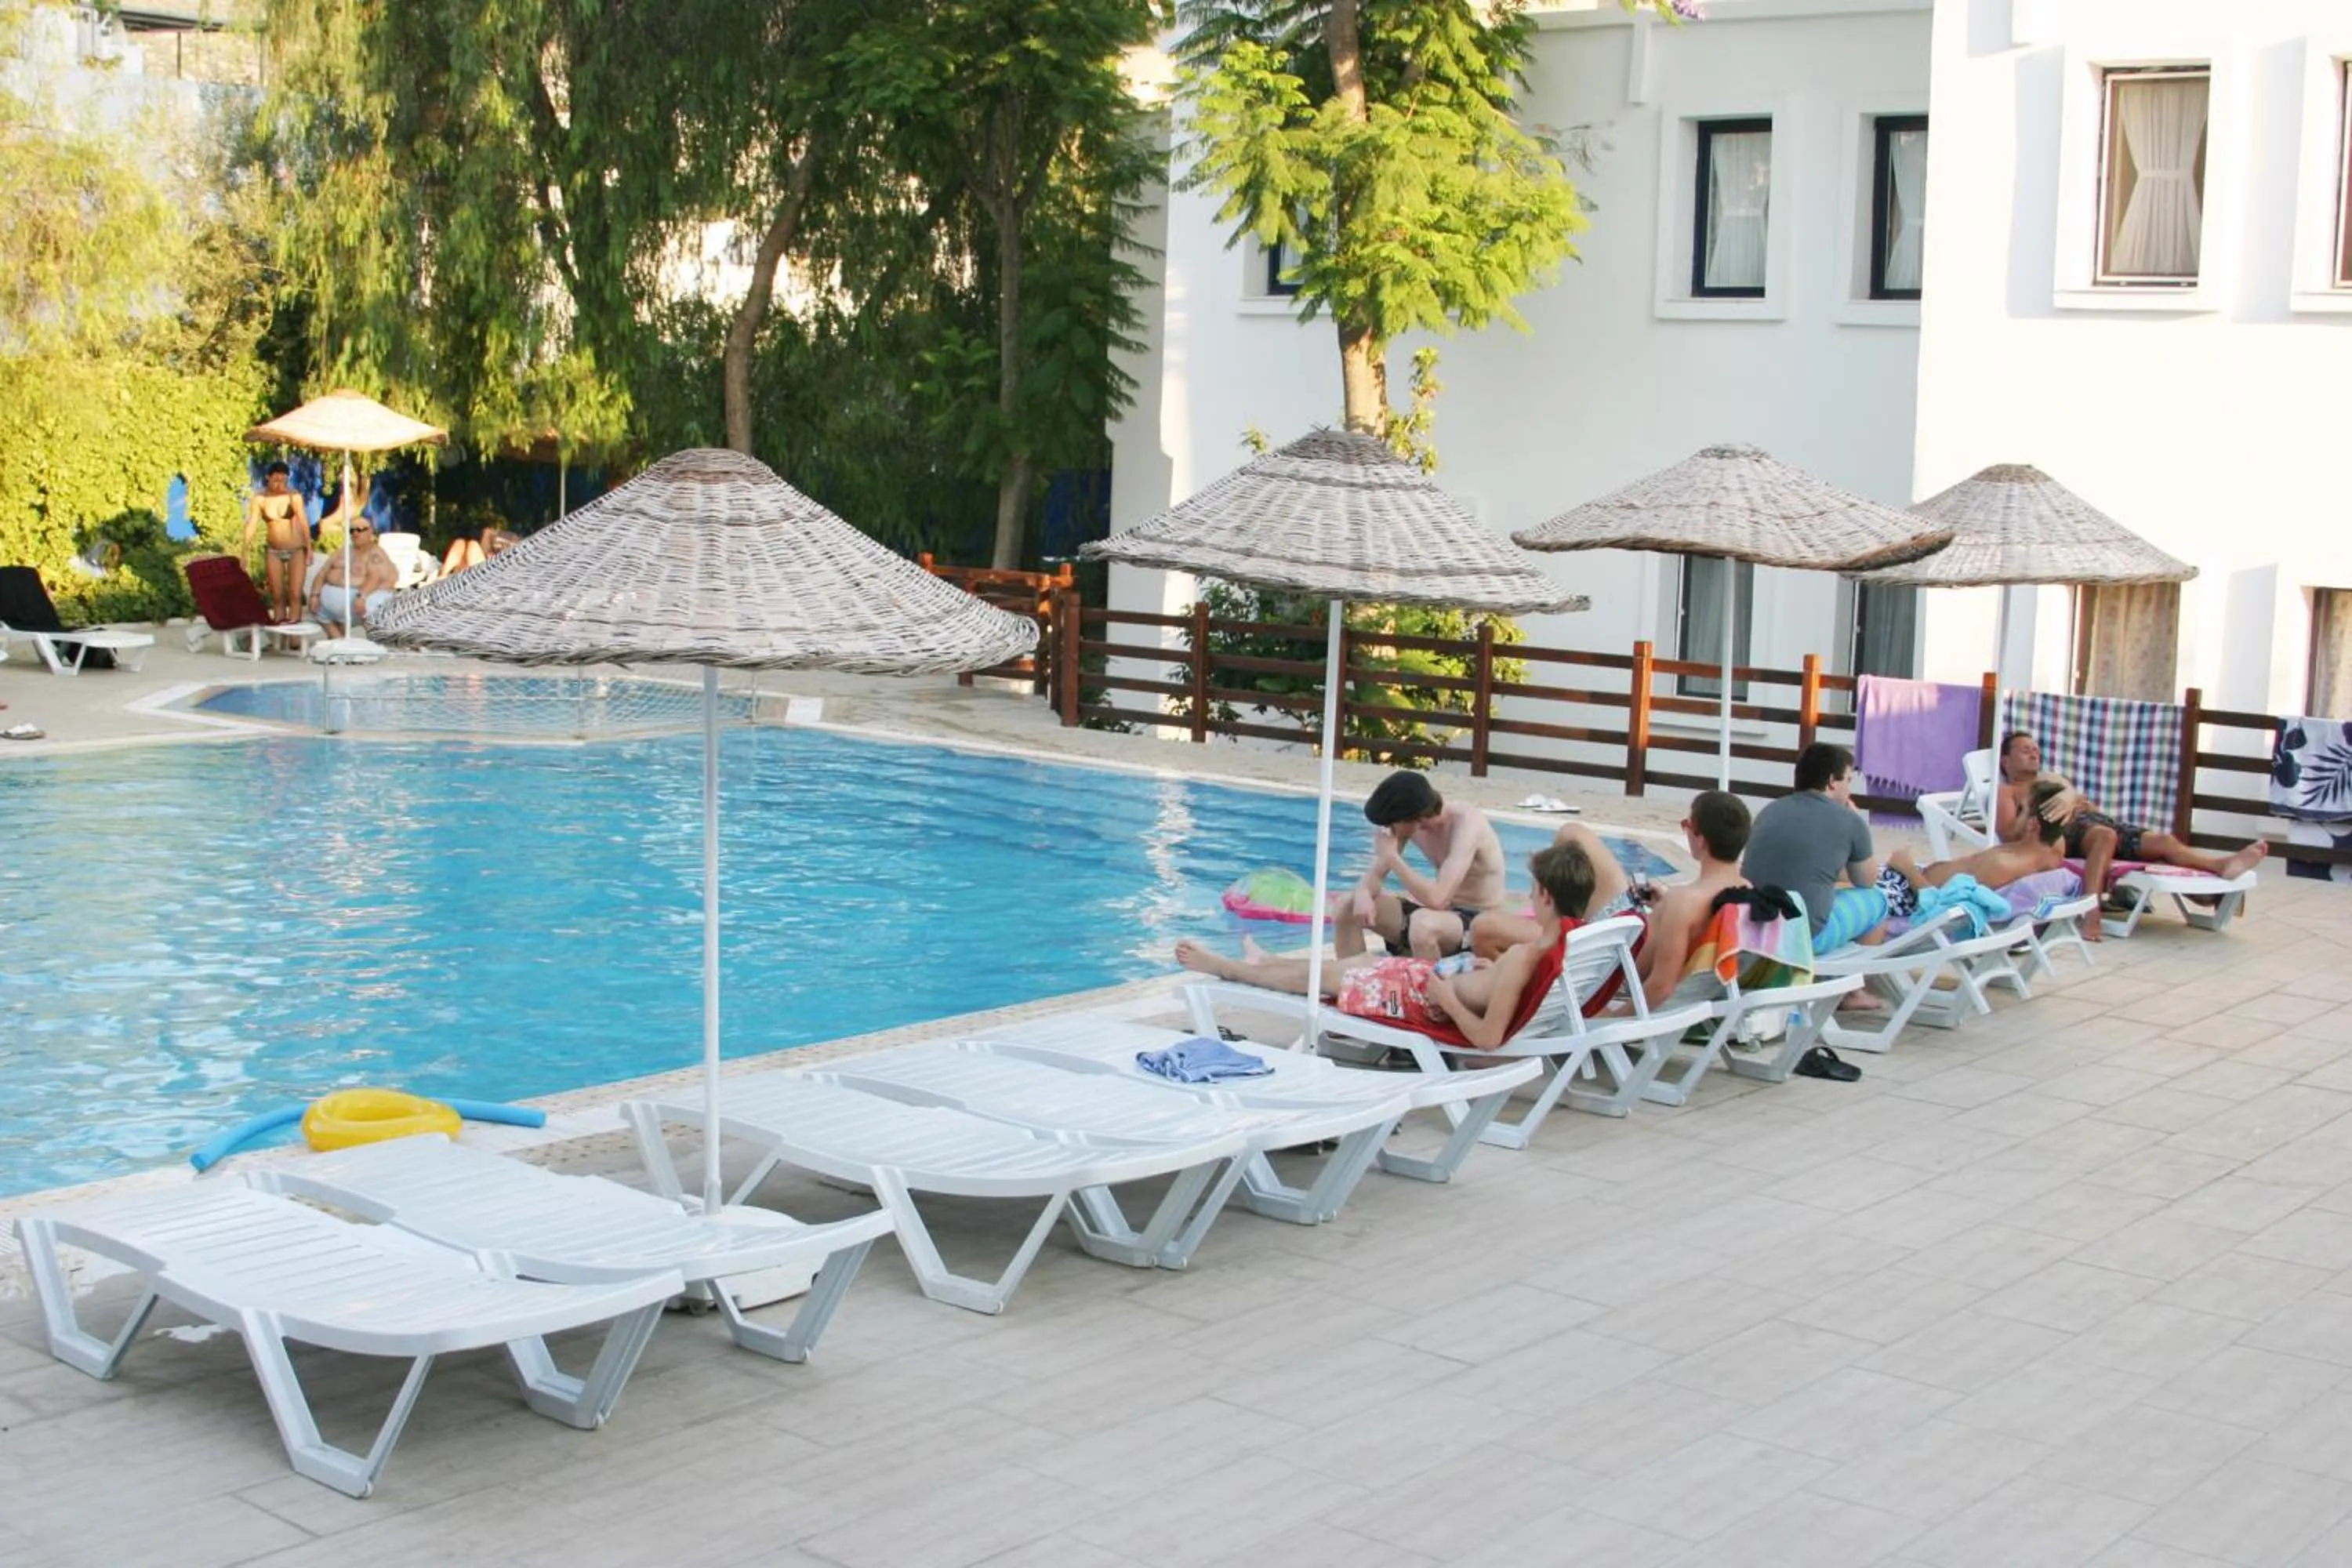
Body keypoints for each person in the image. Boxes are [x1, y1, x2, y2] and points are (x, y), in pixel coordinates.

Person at [1175, 840, 1595, 1049]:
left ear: (1544, 897)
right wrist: (1482, 972)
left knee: (1327, 977)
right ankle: (1258, 962)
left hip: (1421, 999)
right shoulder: (1567, 944)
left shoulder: (1527, 955)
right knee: (1352, 963)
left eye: (1533, 888)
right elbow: (1506, 991)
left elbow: (1488, 1039)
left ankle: (1229, 969)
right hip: (1425, 984)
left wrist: (1447, 998)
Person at [1468, 791, 1752, 1011]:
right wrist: (1662, 906)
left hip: (1607, 957)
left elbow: (1660, 988)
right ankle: (1556, 920)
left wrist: (1612, 1023)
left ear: (1700, 840)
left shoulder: (1684, 902)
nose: (1686, 831)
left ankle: (1524, 982)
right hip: (1628, 930)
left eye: (1687, 825)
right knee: (1572, 833)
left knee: (1485, 928)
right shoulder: (1744, 890)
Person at [1994, 731, 2267, 905]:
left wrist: (2078, 801)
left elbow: (2091, 808)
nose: (2034, 753)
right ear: (2006, 761)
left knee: (2162, 842)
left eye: (2036, 749)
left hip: (2094, 822)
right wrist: (2034, 811)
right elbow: (2007, 834)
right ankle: (2092, 908)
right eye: (2025, 749)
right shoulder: (2008, 791)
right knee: (2105, 837)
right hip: (2065, 833)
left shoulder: (2053, 779)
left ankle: (2219, 866)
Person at [1742, 742, 1890, 995]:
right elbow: (1867, 880)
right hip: (1802, 935)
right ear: (1832, 781)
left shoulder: (1770, 811)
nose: (1849, 788)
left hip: (1754, 928)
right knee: (1878, 902)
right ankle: (1852, 993)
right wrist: (1857, 821)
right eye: (1848, 780)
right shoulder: (1849, 820)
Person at [1332, 771, 1508, 961]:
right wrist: (1363, 893)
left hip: (1480, 923)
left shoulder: (1466, 824)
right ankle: (1353, 981)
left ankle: (1427, 989)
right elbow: (1375, 876)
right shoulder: (1409, 827)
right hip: (1445, 918)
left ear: (1416, 818)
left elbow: (1437, 898)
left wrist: (1392, 858)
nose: (1388, 830)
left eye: (1392, 823)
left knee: (1423, 925)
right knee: (1346, 905)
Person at [241, 463, 309, 626]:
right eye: (276, 480)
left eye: (283, 480)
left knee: (294, 594)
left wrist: (310, 549)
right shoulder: (260, 499)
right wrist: (244, 552)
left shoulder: (294, 496)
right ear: (268, 478)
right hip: (274, 550)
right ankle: (280, 630)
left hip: (296, 550)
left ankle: (294, 637)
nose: (279, 484)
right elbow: (252, 524)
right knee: (277, 595)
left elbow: (304, 521)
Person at [309, 519, 399, 635]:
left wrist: (362, 596)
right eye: (352, 531)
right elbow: (322, 573)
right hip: (328, 606)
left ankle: (373, 644)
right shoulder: (342, 551)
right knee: (317, 611)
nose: (355, 533)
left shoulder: (375, 553)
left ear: (370, 531)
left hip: (359, 602)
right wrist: (314, 595)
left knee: (374, 613)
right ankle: (338, 644)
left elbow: (376, 577)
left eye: (360, 530)